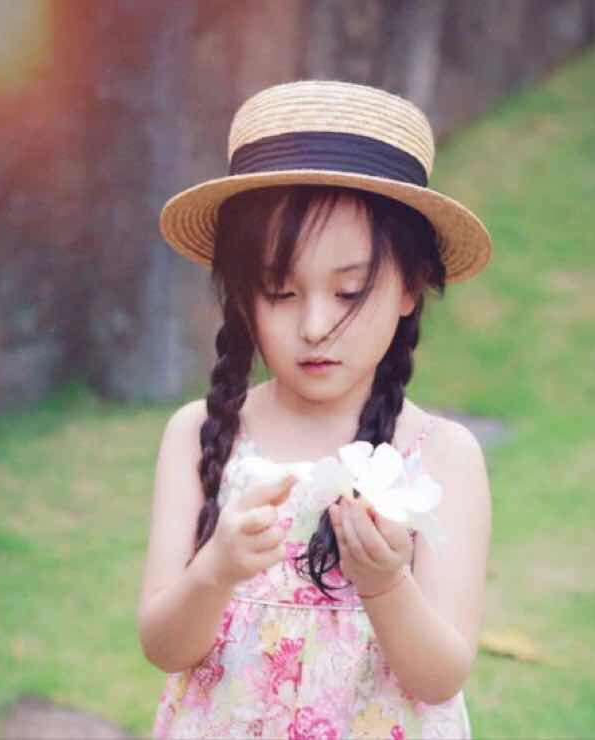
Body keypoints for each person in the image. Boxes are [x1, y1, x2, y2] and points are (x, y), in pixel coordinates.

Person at [138, 79, 493, 739]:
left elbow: (440, 679)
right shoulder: (199, 434)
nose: (315, 325)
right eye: (280, 290)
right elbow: (163, 647)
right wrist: (214, 571)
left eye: (350, 291)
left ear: (411, 287)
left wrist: (385, 584)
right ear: (241, 295)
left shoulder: (443, 456)